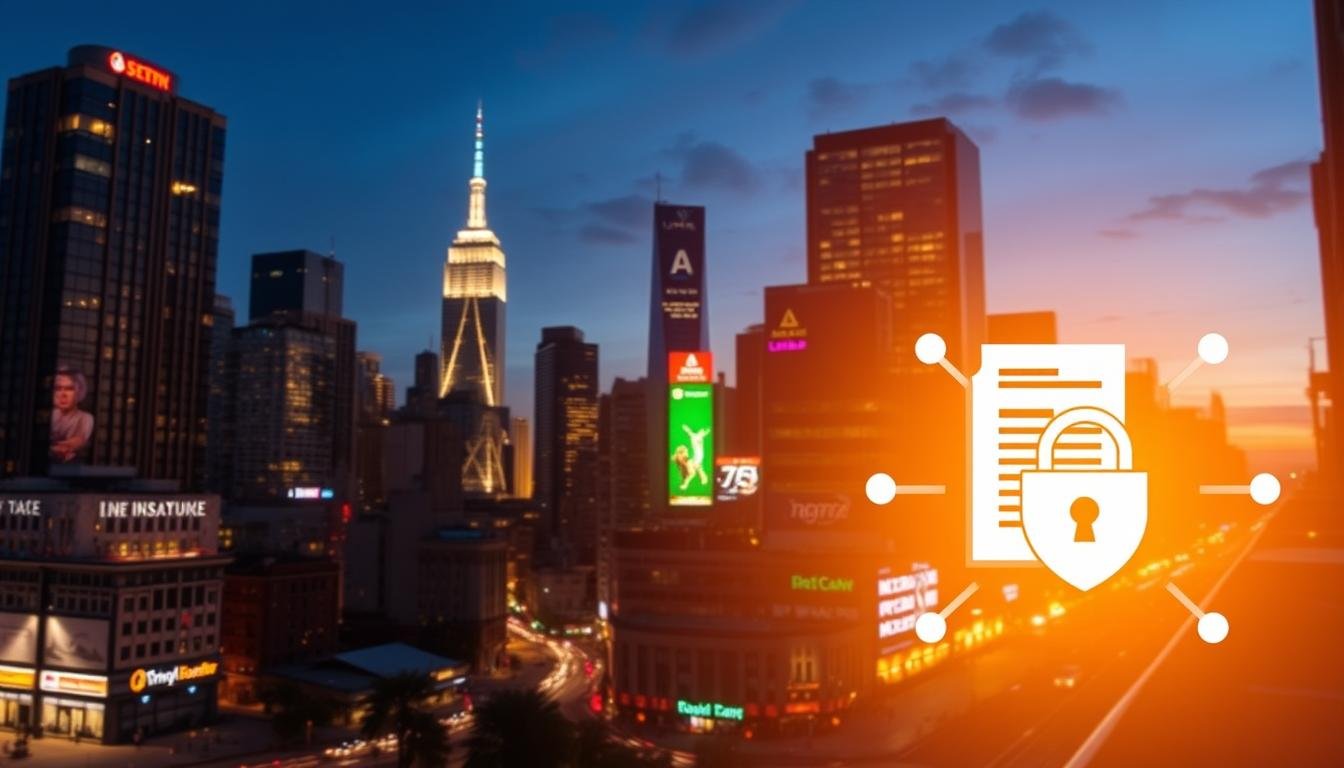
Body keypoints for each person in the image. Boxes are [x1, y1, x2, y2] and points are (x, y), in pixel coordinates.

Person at [49, 367, 94, 463]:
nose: (63, 394)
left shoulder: (85, 418)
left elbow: (75, 443)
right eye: (58, 388)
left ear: (79, 391)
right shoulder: (49, 415)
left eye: (69, 389)